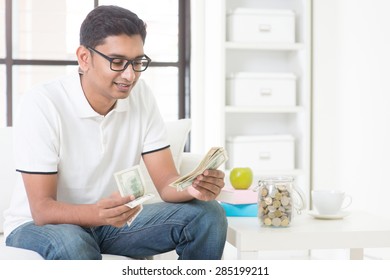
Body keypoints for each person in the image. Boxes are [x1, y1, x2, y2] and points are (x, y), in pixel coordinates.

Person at [3, 5, 227, 260]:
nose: (130, 75)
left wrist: (193, 188)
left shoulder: (141, 97)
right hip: (36, 225)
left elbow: (167, 184)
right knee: (73, 242)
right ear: (84, 58)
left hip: (110, 224)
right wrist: (97, 214)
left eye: (137, 62)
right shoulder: (43, 103)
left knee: (207, 214)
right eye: (117, 62)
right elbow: (43, 210)